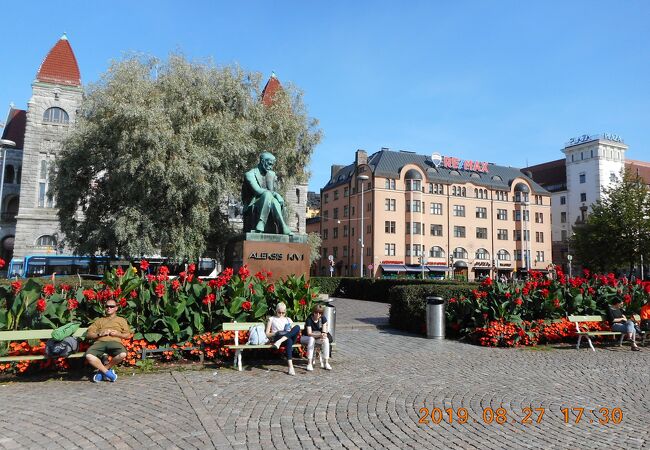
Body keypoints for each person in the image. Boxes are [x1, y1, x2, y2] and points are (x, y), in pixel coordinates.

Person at [242, 152, 293, 235]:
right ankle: (273, 225)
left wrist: (276, 195)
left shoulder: (272, 174)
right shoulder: (249, 174)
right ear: (262, 161)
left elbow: (274, 190)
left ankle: (280, 226)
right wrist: (276, 194)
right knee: (267, 194)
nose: (271, 167)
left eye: (272, 165)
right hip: (253, 203)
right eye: (269, 164)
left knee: (274, 201)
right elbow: (257, 190)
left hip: (269, 201)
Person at [85, 300, 132, 382]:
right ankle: (107, 373)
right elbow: (88, 335)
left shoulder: (121, 320)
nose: (109, 308)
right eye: (107, 306)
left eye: (111, 306)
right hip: (100, 342)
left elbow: (127, 335)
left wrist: (118, 334)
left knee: (123, 354)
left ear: (116, 308)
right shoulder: (99, 321)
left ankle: (102, 372)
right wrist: (99, 334)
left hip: (115, 342)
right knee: (89, 356)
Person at [266, 302, 301, 375]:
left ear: (285, 312)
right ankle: (291, 366)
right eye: (279, 312)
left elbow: (293, 331)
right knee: (289, 340)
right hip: (278, 337)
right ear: (276, 311)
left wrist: (287, 332)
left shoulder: (288, 319)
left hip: (283, 339)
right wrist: (276, 333)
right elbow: (267, 334)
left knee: (297, 327)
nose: (281, 314)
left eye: (283, 313)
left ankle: (281, 340)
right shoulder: (272, 319)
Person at [300, 304, 332, 371]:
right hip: (305, 337)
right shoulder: (309, 319)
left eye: (320, 313)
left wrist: (324, 335)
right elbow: (309, 333)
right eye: (316, 312)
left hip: (317, 337)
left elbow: (324, 331)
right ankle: (309, 363)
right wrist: (320, 335)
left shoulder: (323, 318)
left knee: (326, 340)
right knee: (311, 339)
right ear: (313, 312)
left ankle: (326, 362)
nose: (318, 314)